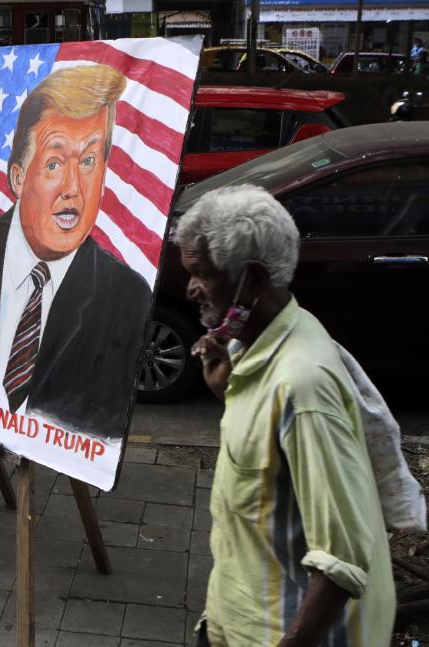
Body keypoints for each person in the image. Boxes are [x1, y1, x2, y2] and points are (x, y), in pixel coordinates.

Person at [175, 185, 394, 646]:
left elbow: (342, 560)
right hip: (232, 618)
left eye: (201, 273)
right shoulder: (268, 343)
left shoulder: (302, 385)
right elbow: (274, 464)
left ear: (253, 278)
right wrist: (230, 393)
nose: (190, 289)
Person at [0, 64, 151, 437]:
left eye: (89, 161)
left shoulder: (127, 296)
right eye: (54, 163)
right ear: (17, 177)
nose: (72, 188)